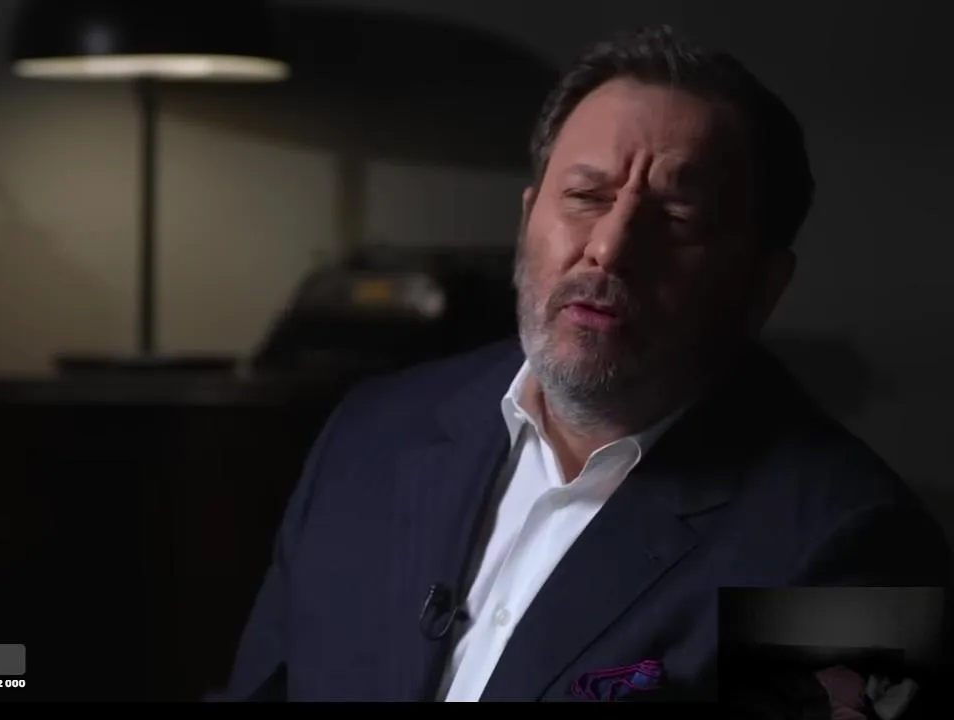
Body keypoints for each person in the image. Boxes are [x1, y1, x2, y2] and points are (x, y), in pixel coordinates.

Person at [215, 25, 953, 702]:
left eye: (677, 220)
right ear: (527, 218)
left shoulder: (847, 549)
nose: (610, 248)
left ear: (763, 286)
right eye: (584, 196)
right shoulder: (371, 433)